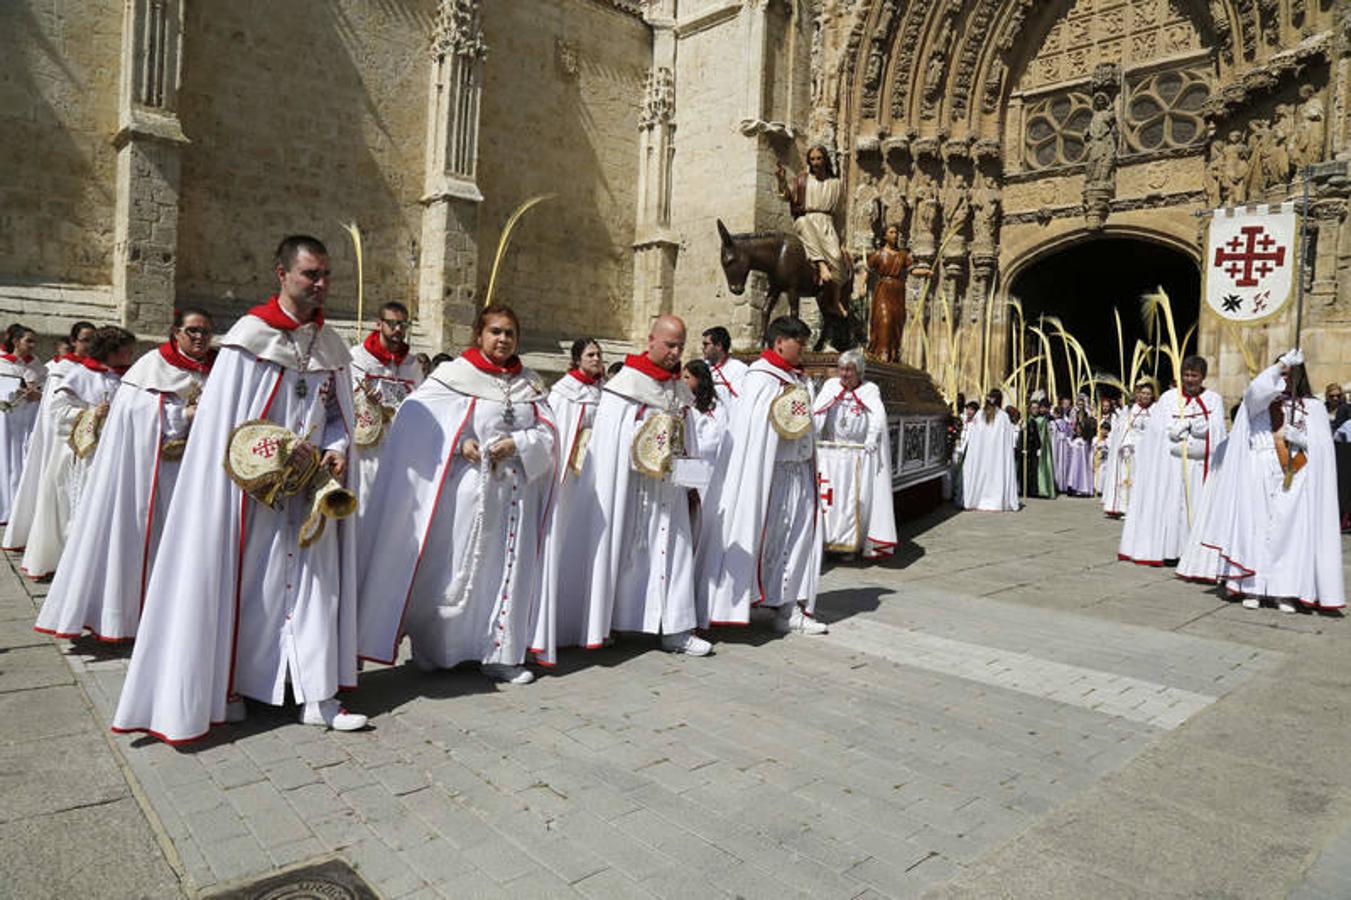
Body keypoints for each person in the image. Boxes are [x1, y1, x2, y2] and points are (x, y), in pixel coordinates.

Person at [113, 235, 366, 742]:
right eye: (309, 274)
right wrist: (274, 454)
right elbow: (226, 431)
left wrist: (337, 446)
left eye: (324, 275)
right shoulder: (248, 341)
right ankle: (238, 687)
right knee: (252, 590)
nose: (319, 284)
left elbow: (337, 411)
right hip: (252, 500)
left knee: (318, 589)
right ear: (282, 274)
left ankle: (317, 695)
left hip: (312, 492)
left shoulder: (331, 346)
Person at [358, 304, 556, 682]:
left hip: (514, 499)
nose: (503, 339)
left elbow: (549, 435)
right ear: (479, 335)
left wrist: (518, 442)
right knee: (454, 569)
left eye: (510, 333)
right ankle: (436, 649)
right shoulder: (454, 376)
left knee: (505, 573)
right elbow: (418, 417)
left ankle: (498, 654)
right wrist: (459, 442)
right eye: (495, 331)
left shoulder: (529, 383)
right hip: (465, 493)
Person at [36, 311, 215, 641]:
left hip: (201, 473)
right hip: (156, 473)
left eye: (206, 332)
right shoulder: (151, 366)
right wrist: (182, 413)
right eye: (192, 331)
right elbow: (133, 411)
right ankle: (135, 615)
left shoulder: (217, 368)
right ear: (176, 332)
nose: (200, 338)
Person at [543, 315, 712, 659]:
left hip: (669, 488)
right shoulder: (626, 385)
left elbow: (688, 437)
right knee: (623, 553)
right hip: (632, 488)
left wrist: (692, 484)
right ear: (651, 341)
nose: (675, 352)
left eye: (681, 346)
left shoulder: (678, 387)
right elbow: (611, 441)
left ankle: (676, 629)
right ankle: (610, 622)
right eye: (669, 345)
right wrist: (643, 436)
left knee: (675, 553)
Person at [698, 316, 826, 634]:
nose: (804, 350)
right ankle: (740, 601)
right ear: (780, 341)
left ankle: (788, 607)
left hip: (798, 472)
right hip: (769, 475)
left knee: (797, 538)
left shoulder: (796, 378)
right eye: (800, 343)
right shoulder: (760, 378)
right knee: (763, 535)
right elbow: (754, 431)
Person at [1199, 350, 1344, 611]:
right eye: (1282, 373)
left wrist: (1303, 440)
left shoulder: (1312, 407)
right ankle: (1252, 588)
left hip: (1295, 472)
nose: (1286, 379)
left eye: (1291, 374)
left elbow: (1323, 448)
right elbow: (1256, 388)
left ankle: (1283, 591)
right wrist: (1282, 363)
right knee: (1256, 529)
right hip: (1259, 468)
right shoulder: (1259, 402)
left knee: (1288, 534)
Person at [19, 326, 135, 579]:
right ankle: (75, 569)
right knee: (80, 512)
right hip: (86, 457)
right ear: (112, 351)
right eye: (126, 348)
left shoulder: (126, 376)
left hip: (117, 455)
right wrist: (93, 414)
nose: (131, 353)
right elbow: (58, 414)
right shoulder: (81, 375)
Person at [1119, 357, 1226, 566]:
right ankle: (1169, 550)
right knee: (1172, 508)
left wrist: (1197, 430)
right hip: (1172, 466)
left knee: (1194, 508)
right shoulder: (1169, 398)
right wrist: (1173, 431)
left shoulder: (1213, 399)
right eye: (1186, 375)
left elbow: (1217, 431)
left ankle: (1193, 553)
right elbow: (1157, 432)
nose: (1189, 380)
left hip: (1198, 467)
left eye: (1194, 376)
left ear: (1202, 377)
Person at [537, 337, 606, 652]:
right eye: (590, 355)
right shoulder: (565, 392)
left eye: (598, 354)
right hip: (570, 479)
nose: (596, 359)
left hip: (594, 479)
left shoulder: (604, 390)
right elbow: (560, 433)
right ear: (577, 359)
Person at [3, 321, 93, 549]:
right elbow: (55, 406)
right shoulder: (61, 369)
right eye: (85, 340)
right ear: (73, 342)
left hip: (41, 421)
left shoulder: (41, 367)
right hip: (16, 420)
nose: (91, 345)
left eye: (94, 340)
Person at [813, 348, 896, 557]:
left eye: (848, 370)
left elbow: (877, 416)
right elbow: (818, 411)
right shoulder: (830, 386)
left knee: (851, 502)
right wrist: (814, 433)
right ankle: (826, 540)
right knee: (830, 502)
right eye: (841, 369)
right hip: (831, 455)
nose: (843, 374)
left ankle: (850, 543)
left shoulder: (870, 390)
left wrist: (871, 438)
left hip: (857, 457)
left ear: (859, 371)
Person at [349, 301, 423, 511]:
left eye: (403, 324)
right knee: (364, 505)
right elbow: (347, 396)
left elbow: (420, 402)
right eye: (392, 324)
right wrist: (365, 400)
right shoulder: (358, 357)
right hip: (366, 449)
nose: (398, 330)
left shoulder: (413, 365)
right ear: (379, 324)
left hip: (399, 448)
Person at [775, 146, 848, 318]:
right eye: (812, 159)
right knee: (802, 223)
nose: (815, 162)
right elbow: (786, 195)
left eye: (819, 158)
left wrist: (841, 239)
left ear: (825, 160)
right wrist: (781, 180)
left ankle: (835, 299)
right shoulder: (803, 180)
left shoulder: (835, 184)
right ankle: (821, 265)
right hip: (807, 219)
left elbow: (839, 213)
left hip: (826, 222)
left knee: (837, 258)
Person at [0, 325, 46, 524]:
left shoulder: (39, 367)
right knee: (7, 460)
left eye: (34, 341)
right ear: (16, 342)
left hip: (31, 419)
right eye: (28, 341)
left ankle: (22, 510)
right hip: (8, 420)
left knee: (26, 461)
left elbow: (49, 393)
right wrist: (14, 391)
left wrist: (38, 395)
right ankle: (6, 508)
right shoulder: (2, 364)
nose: (32, 345)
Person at [957, 389, 1020, 512]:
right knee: (995, 474)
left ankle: (975, 498)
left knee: (980, 473)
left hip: (981, 457)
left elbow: (973, 439)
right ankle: (995, 500)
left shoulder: (980, 415)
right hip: (997, 457)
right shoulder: (1002, 417)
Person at [1104, 379, 1158, 518]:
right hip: (1132, 450)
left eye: (1148, 394)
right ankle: (1126, 508)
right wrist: (1126, 444)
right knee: (1129, 479)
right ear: (1139, 394)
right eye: (1143, 393)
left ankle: (1145, 509)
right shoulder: (1131, 409)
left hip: (1149, 450)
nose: (1145, 396)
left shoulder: (1156, 409)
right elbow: (1124, 429)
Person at [865, 224, 911, 362]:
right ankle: (881, 353)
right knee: (884, 319)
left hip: (897, 290)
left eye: (896, 232)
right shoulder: (878, 254)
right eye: (891, 232)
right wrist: (861, 286)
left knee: (896, 323)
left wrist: (926, 272)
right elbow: (867, 271)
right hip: (883, 289)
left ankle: (893, 354)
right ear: (885, 236)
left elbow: (912, 269)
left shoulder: (902, 255)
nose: (895, 235)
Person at [683, 358, 727, 503]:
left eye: (687, 377)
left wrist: (690, 448)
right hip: (687, 466)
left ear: (699, 379)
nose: (684, 381)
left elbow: (714, 441)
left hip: (707, 466)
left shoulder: (717, 409)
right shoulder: (685, 404)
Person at [701, 326, 747, 405]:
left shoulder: (738, 369)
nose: (702, 348)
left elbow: (740, 401)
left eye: (706, 344)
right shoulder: (701, 367)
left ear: (719, 346)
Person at [1026, 399, 1055, 498]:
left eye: (1037, 408)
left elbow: (1043, 435)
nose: (1035, 410)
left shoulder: (1042, 420)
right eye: (1033, 408)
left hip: (1039, 447)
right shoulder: (1028, 420)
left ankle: (1041, 489)